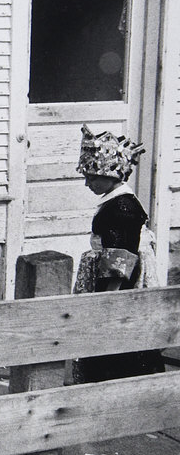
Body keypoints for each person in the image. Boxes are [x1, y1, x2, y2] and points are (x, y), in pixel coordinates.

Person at [72, 125, 162, 383]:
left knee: (116, 340)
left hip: (117, 285)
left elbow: (120, 260)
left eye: (92, 176)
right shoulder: (114, 203)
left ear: (111, 174)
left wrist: (108, 301)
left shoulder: (121, 208)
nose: (87, 182)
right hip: (110, 278)